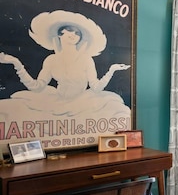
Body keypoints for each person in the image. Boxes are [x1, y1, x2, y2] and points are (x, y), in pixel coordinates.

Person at [0, 10, 130, 117]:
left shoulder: (86, 59)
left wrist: (111, 70)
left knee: (119, 111)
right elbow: (37, 87)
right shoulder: (51, 60)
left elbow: (96, 87)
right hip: (57, 101)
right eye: (69, 30)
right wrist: (16, 63)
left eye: (77, 33)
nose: (73, 34)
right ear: (59, 34)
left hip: (83, 102)